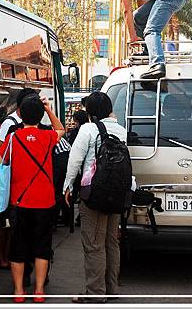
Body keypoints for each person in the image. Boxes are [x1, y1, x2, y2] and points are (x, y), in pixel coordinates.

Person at [0, 95, 65, 303]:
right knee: (42, 247)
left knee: (18, 247)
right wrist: (48, 110)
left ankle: (18, 292)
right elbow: (61, 129)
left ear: (21, 114)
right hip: (45, 202)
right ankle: (39, 291)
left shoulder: (13, 138)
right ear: (40, 115)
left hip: (19, 202)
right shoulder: (47, 137)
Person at [63, 92, 128, 303]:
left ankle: (95, 292)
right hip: (116, 193)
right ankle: (111, 289)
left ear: (90, 111)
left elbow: (75, 161)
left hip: (94, 193)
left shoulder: (88, 129)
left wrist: (68, 186)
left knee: (93, 243)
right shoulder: (121, 130)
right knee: (111, 242)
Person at [98, 0, 186, 79]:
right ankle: (147, 53)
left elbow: (126, 10)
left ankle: (157, 64)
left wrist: (133, 37)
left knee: (151, 30)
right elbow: (141, 15)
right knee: (137, 17)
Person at [0, 88, 39, 270]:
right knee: (5, 222)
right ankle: (1, 255)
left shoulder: (26, 121)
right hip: (9, 181)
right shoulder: (10, 123)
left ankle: (1, 254)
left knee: (9, 223)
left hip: (19, 181)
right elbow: (0, 151)